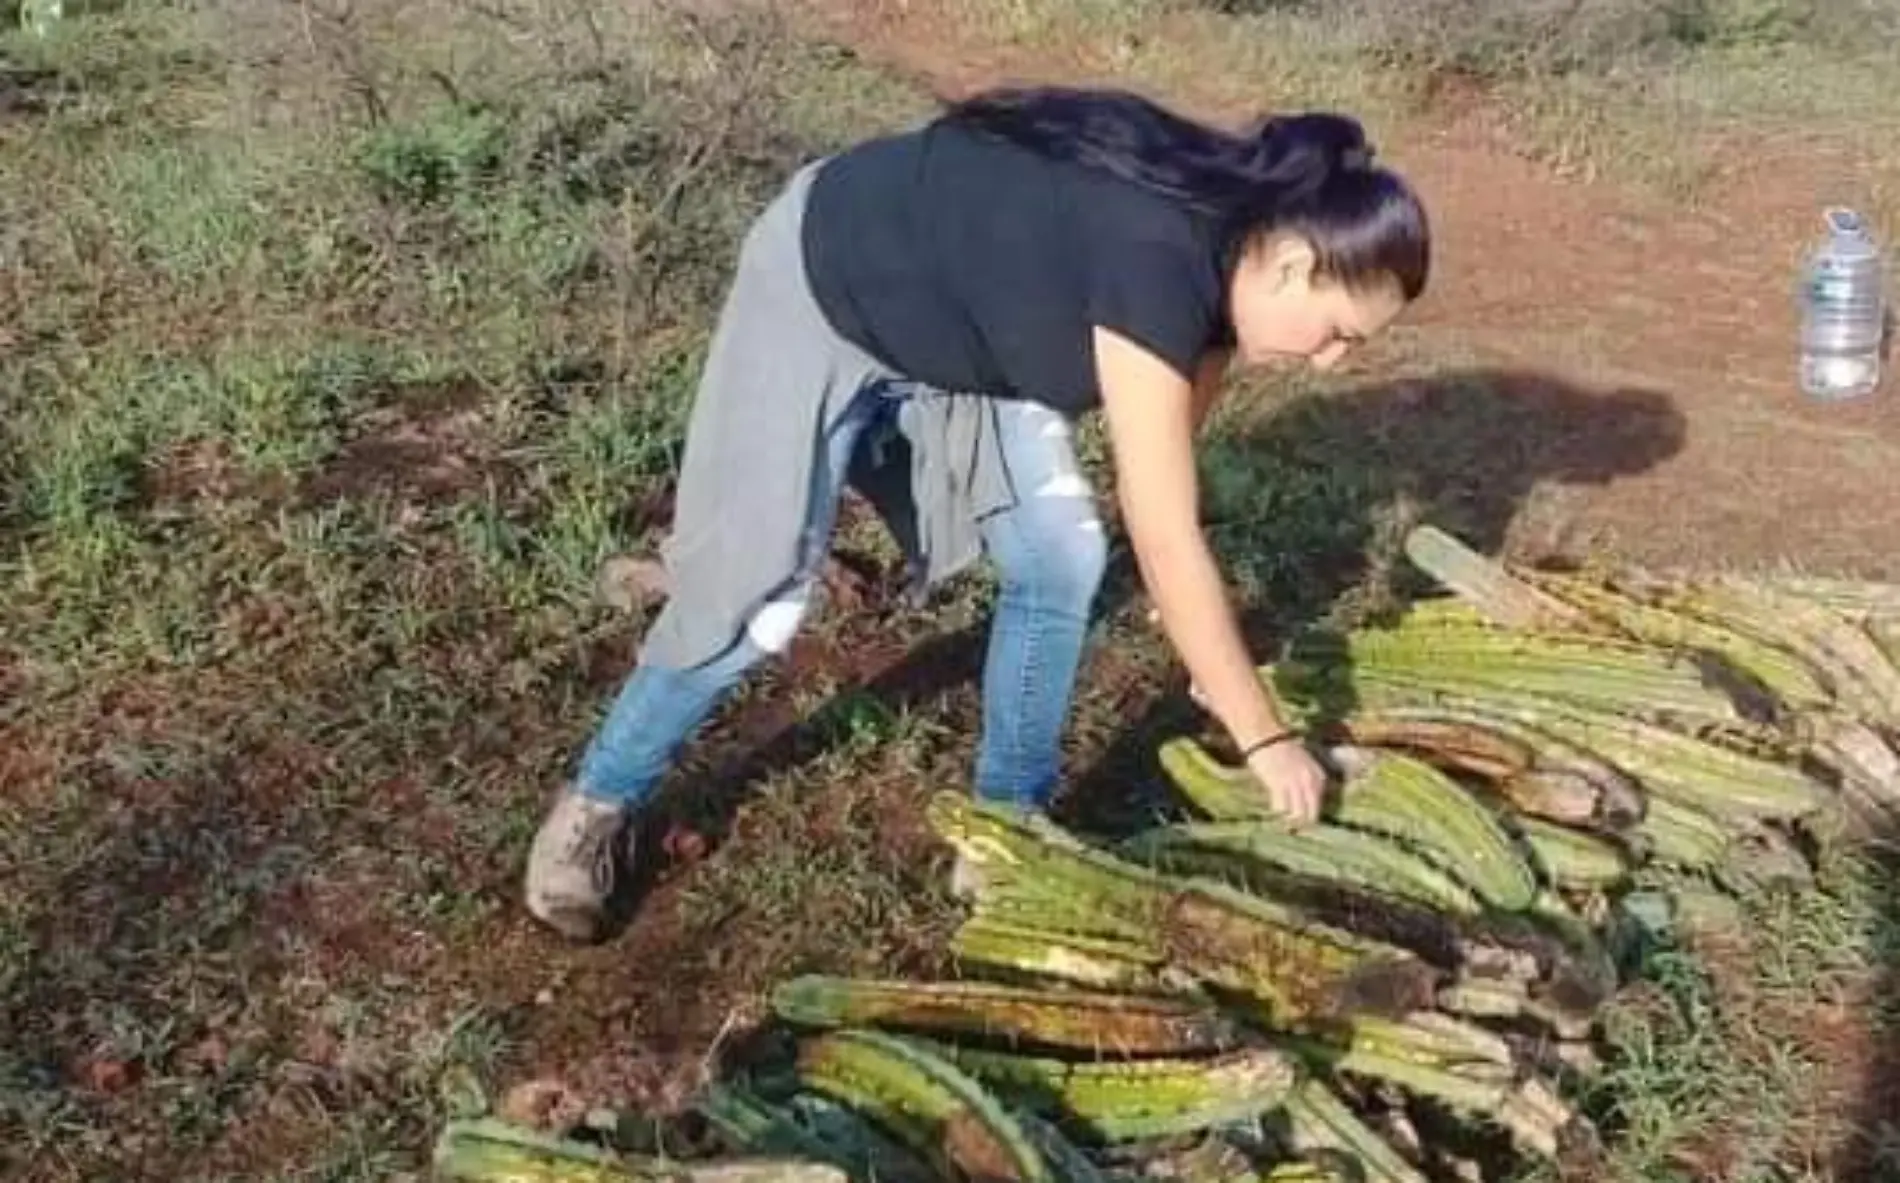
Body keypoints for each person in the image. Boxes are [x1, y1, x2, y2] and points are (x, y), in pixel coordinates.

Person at [523, 84, 1431, 942]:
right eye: (1340, 333)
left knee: (1060, 558)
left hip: (960, 340)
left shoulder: (1229, 270)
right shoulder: (1158, 258)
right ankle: (598, 799)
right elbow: (1163, 533)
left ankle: (1007, 824)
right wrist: (1265, 736)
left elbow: (1159, 485)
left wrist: (1203, 650)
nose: (1333, 364)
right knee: (754, 591)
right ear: (1295, 265)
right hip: (831, 282)